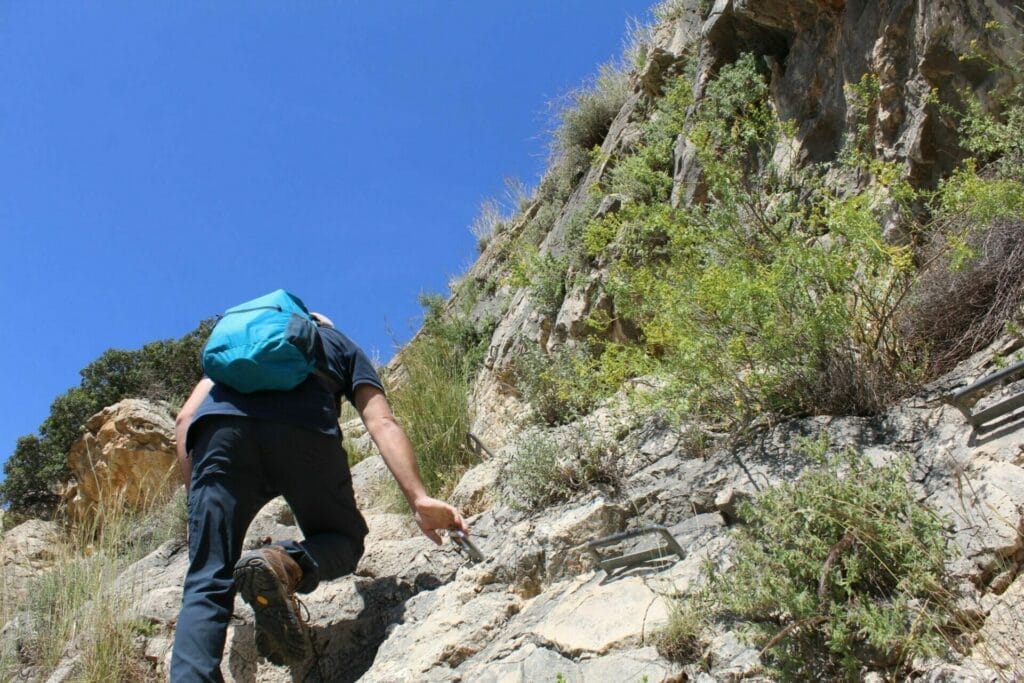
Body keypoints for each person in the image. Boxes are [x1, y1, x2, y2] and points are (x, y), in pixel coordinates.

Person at [169, 311, 468, 682]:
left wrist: (197, 506)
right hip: (305, 432)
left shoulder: (236, 349)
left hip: (222, 438)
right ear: (318, 326)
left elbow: (184, 419)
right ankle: (284, 561)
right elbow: (381, 422)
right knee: (344, 540)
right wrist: (419, 499)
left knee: (206, 578)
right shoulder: (338, 342)